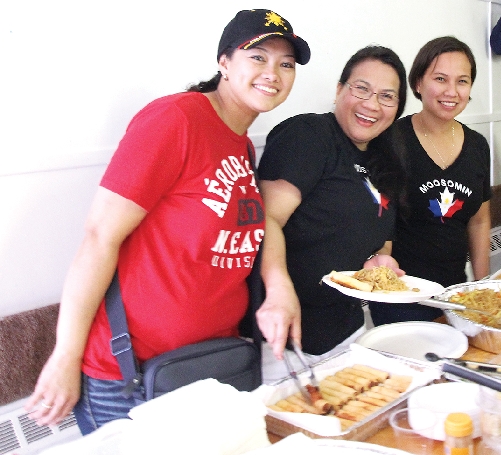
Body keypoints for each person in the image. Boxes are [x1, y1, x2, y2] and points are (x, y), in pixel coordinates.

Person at [25, 9, 310, 434]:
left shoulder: (241, 145)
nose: (273, 72)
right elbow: (99, 236)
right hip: (132, 376)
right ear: (224, 63)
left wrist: (278, 286)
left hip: (209, 368)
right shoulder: (176, 120)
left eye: (286, 64)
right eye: (258, 56)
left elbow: (254, 227)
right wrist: (66, 356)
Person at [256, 46, 407, 381]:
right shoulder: (308, 136)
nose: (372, 104)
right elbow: (265, 220)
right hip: (284, 337)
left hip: (346, 329)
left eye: (387, 96)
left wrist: (379, 262)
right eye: (362, 89)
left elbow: (380, 242)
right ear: (339, 90)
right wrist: (280, 290)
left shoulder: (384, 159)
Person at [368, 36, 491, 326]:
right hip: (401, 297)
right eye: (440, 79)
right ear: (418, 83)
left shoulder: (477, 145)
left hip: (456, 296)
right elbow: (380, 221)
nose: (452, 91)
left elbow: (479, 220)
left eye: (462, 81)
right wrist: (388, 288)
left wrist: (482, 288)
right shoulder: (390, 140)